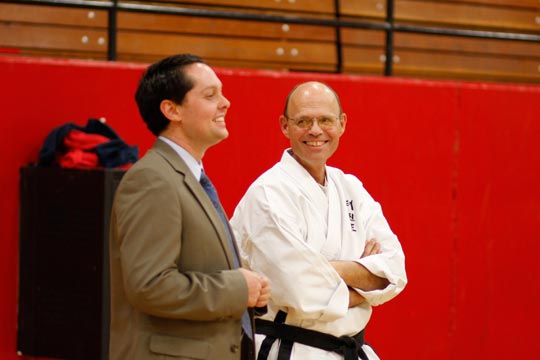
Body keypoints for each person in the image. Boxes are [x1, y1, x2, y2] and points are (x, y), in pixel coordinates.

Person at [109, 54, 270, 360]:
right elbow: (149, 286)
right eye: (210, 95)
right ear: (171, 109)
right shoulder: (152, 179)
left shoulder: (188, 178)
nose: (225, 103)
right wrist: (237, 289)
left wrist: (248, 290)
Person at [230, 81, 407, 360]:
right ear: (285, 126)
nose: (315, 130)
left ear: (342, 124)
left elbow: (395, 270)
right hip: (290, 349)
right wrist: (367, 282)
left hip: (351, 348)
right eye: (303, 121)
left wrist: (321, 268)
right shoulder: (268, 194)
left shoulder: (350, 188)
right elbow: (301, 290)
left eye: (325, 120)